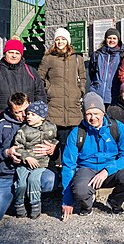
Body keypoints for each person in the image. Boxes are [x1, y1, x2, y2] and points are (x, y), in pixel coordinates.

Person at [0, 92, 57, 227]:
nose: (24, 115)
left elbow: (55, 148)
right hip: (5, 177)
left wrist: (53, 150)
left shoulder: (42, 123)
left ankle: (25, 199)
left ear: (30, 105)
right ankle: (7, 201)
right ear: (10, 110)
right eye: (18, 112)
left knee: (50, 180)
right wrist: (6, 153)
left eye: (26, 110)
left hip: (32, 171)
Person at [61, 92, 124, 218]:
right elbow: (68, 165)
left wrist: (107, 170)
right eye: (88, 114)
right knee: (80, 190)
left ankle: (114, 202)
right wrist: (67, 200)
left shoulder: (117, 127)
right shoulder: (77, 133)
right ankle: (86, 204)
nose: (93, 118)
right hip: (87, 169)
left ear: (103, 112)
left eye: (96, 113)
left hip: (111, 169)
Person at [0, 39, 46, 138]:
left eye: (17, 53)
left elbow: (40, 97)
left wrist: (39, 120)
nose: (14, 55)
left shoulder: (31, 72)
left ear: (21, 55)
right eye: (10, 52)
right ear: (5, 53)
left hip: (27, 124)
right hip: (2, 124)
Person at [37, 27, 86, 157]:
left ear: (68, 41)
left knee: (73, 144)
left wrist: (80, 91)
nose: (60, 42)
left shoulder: (77, 58)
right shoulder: (48, 58)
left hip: (73, 107)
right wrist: (49, 89)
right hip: (55, 106)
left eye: (63, 39)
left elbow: (83, 77)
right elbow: (39, 77)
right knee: (55, 144)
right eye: (58, 39)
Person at [13, 100, 58, 219]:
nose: (28, 117)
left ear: (42, 117)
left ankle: (35, 205)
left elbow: (54, 140)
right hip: (25, 163)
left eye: (33, 114)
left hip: (41, 163)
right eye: (28, 114)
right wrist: (26, 157)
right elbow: (18, 146)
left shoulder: (51, 127)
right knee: (21, 183)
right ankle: (19, 205)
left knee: (33, 180)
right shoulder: (23, 130)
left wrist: (53, 146)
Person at [89, 27, 124, 107]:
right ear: (105, 39)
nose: (112, 40)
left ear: (118, 40)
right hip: (96, 94)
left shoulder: (121, 56)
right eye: (109, 38)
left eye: (114, 38)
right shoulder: (97, 55)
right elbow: (92, 73)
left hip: (113, 95)